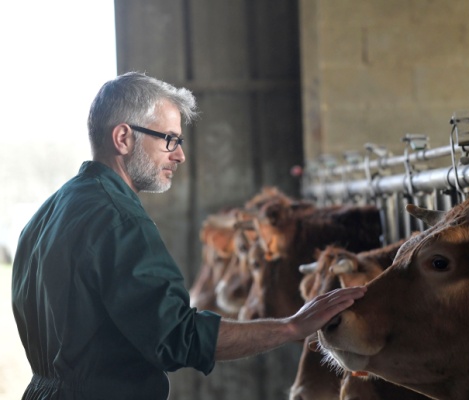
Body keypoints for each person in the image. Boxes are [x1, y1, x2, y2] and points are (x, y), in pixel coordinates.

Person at [11, 72, 367, 400]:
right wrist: (292, 327)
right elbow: (177, 337)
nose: (180, 155)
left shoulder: (46, 215)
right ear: (123, 138)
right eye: (169, 140)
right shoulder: (119, 219)